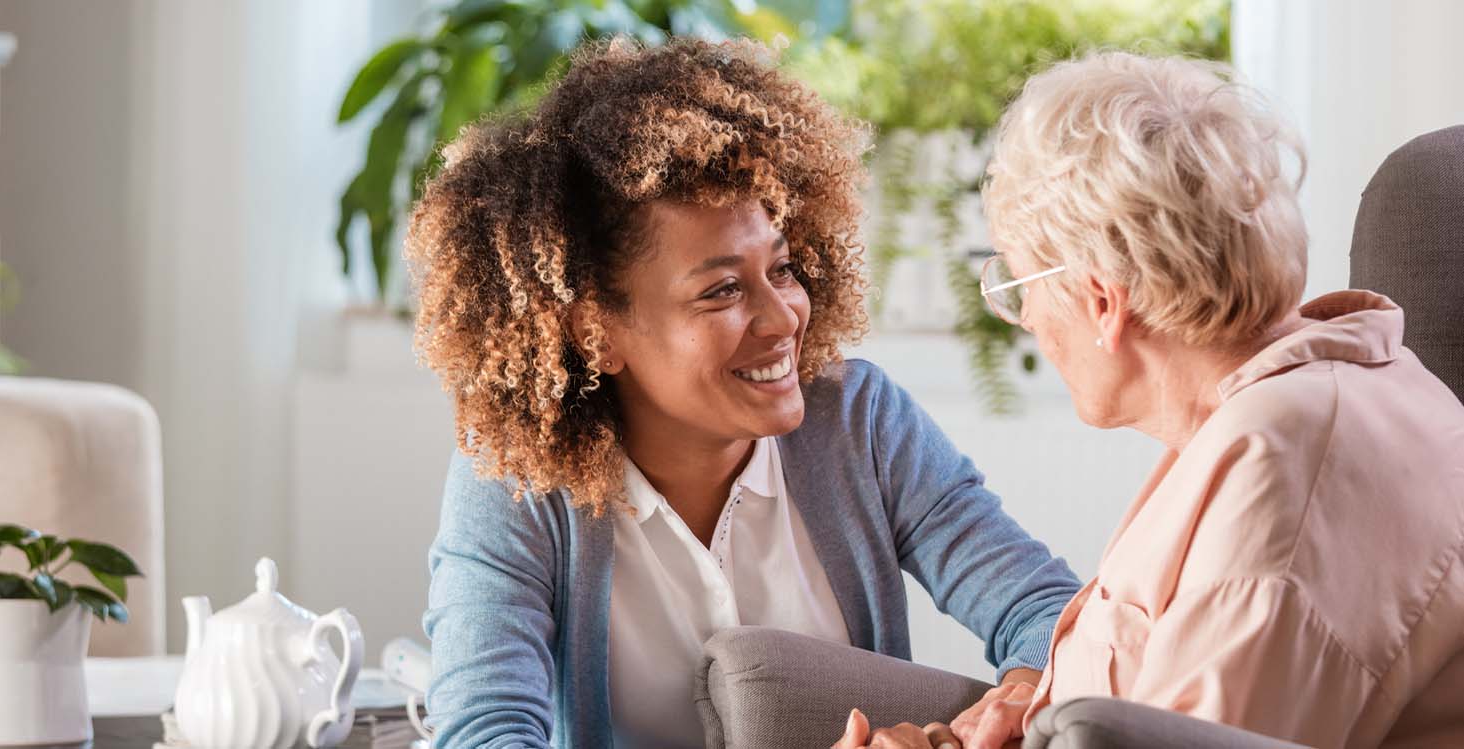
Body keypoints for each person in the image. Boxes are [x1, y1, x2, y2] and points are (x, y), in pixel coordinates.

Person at [410, 37, 1080, 749]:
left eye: (782, 268)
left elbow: (1046, 612)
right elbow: (484, 733)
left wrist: (1006, 707)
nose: (784, 314)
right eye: (722, 289)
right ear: (595, 330)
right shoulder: (518, 481)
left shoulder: (860, 423)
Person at [837, 52, 1464, 749]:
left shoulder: (1280, 468)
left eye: (1018, 286)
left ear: (1101, 300)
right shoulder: (1284, 407)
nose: (1029, 321)